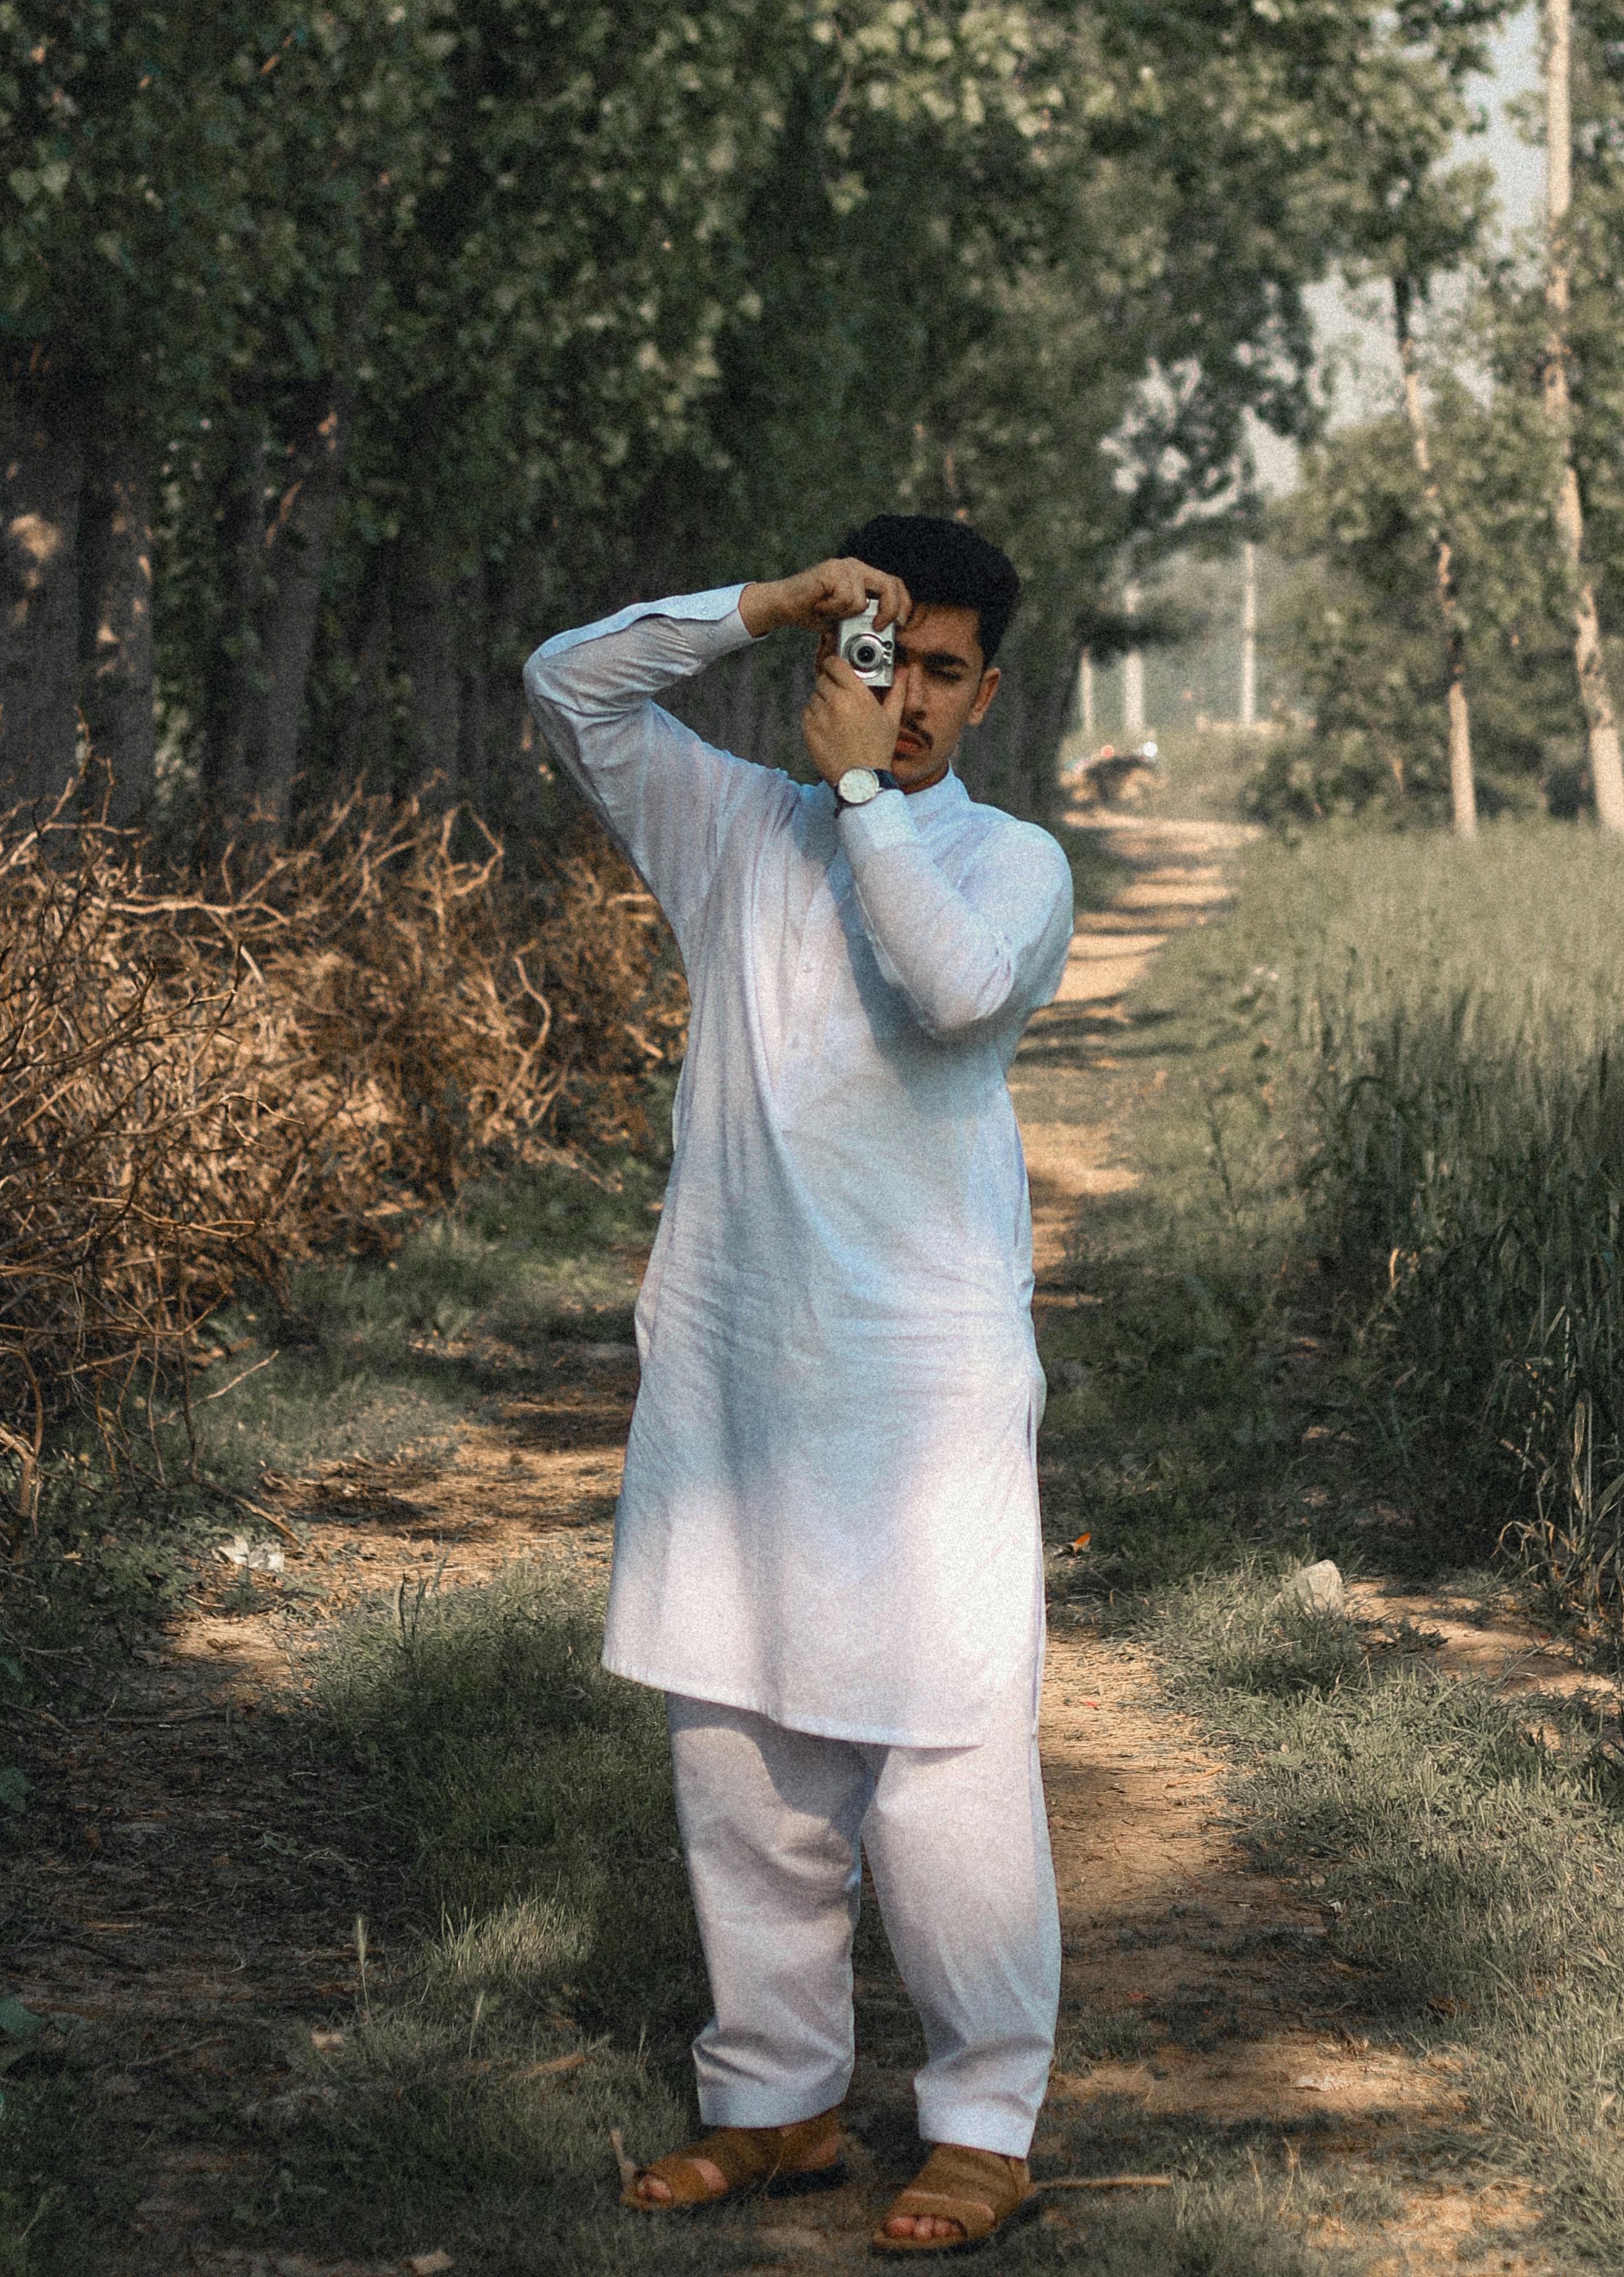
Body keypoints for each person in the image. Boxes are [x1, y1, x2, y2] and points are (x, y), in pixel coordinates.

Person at [523, 518, 1073, 2255]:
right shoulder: (729, 828)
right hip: (740, 1354)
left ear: (984, 692)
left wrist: (864, 806)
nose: (901, 696)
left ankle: (984, 2114)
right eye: (876, 655)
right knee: (739, 1743)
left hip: (924, 1382)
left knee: (944, 1754)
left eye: (938, 670)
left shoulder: (1010, 863)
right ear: (830, 657)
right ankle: (777, 2100)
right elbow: (563, 685)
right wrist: (754, 605)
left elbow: (949, 988)